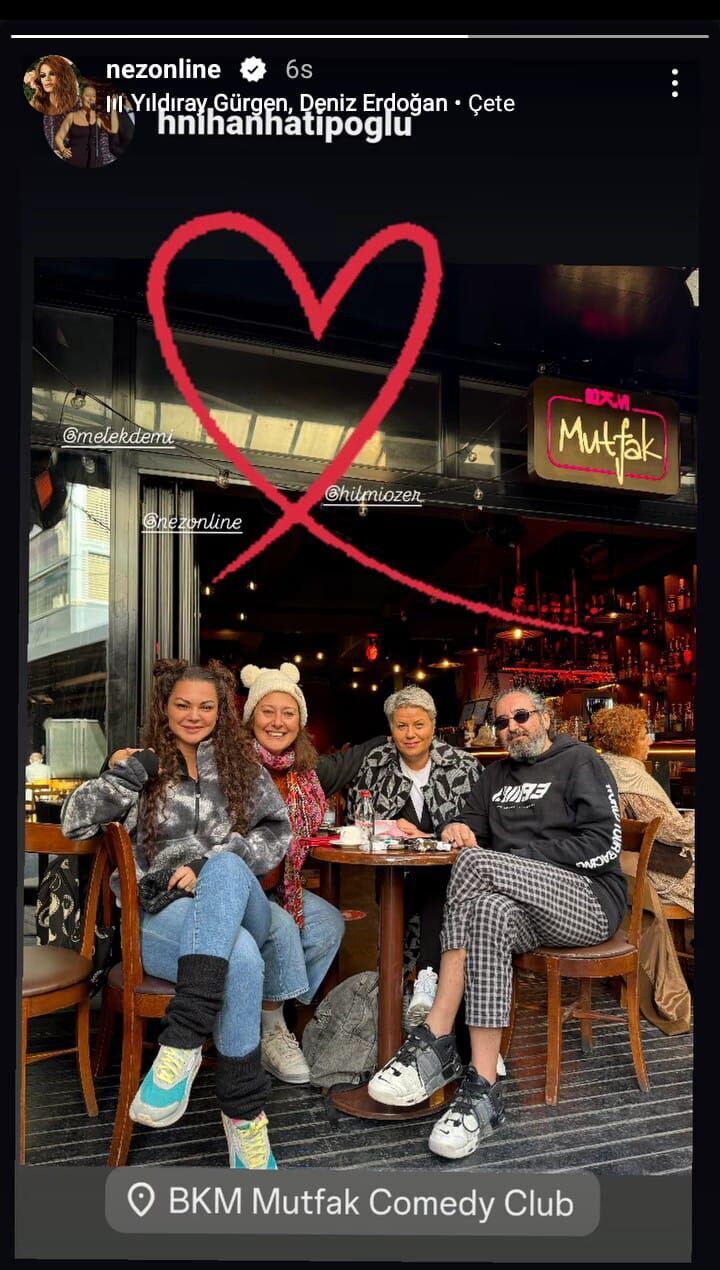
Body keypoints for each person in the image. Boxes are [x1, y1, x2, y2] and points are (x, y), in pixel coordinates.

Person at [368, 686, 627, 1160]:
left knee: (474, 864)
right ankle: (483, 1088)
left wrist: (516, 859)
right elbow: (468, 826)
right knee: (487, 911)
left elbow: (604, 845)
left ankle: (437, 1033)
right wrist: (454, 829)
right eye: (503, 722)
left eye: (521, 716)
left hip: (587, 899)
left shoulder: (580, 761)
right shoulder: (494, 776)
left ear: (544, 717)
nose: (512, 728)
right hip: (525, 907)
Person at [61, 658, 298, 1169]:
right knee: (242, 959)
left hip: (239, 904)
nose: (194, 716)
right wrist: (127, 775)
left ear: (221, 712)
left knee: (226, 867)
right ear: (164, 709)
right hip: (162, 915)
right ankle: (245, 1121)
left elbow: (277, 831)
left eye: (206, 707)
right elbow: (73, 823)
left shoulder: (240, 767)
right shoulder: (142, 767)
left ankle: (183, 1038)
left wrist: (209, 863)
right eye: (183, 705)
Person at [241, 662, 384, 1083]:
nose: (278, 721)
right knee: (284, 927)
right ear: (251, 717)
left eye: (288, 713)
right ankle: (270, 1028)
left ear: (300, 722)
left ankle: (266, 1008)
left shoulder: (305, 773)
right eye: (268, 711)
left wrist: (397, 733)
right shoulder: (231, 764)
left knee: (327, 925)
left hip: (278, 887)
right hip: (239, 888)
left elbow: (351, 759)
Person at [346, 685, 482, 1028]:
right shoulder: (376, 763)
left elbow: (480, 825)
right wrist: (394, 827)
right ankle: (416, 985)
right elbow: (358, 819)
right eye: (401, 726)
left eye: (418, 725)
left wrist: (433, 838)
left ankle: (423, 981)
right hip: (395, 876)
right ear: (391, 728)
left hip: (456, 880)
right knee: (426, 877)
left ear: (433, 725)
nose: (410, 734)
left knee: (436, 875)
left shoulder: (462, 765)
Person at [590, 705, 694, 912]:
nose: (650, 741)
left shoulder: (603, 767)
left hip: (622, 868)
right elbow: (677, 833)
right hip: (656, 872)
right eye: (643, 736)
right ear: (627, 743)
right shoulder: (632, 780)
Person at [55, 84, 119, 167]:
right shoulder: (72, 116)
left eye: (94, 96)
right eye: (87, 96)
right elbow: (59, 137)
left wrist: (113, 107)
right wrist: (62, 149)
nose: (91, 99)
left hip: (95, 162)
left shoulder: (99, 117)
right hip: (74, 161)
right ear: (81, 97)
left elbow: (114, 130)